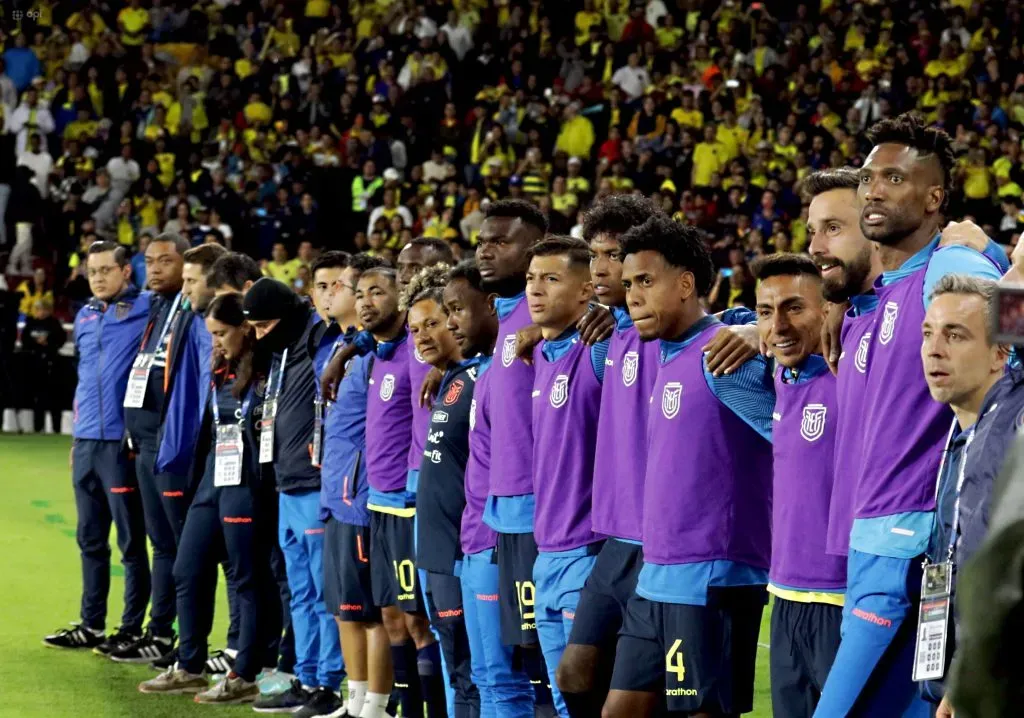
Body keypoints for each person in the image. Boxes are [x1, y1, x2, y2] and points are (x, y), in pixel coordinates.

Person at [815, 114, 1005, 718]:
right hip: (883, 541)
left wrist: (991, 254)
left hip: (910, 543)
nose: (874, 190)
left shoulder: (947, 269)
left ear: (933, 198)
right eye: (868, 178)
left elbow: (1014, 333)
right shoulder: (887, 292)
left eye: (894, 178)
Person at [555, 196, 758, 718]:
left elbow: (790, 430)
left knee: (695, 706)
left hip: (700, 560)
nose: (607, 272)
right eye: (600, 259)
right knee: (591, 685)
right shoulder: (617, 338)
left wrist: (758, 330)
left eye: (635, 273)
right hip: (638, 551)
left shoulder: (717, 349)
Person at [605, 215, 774, 718]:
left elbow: (792, 443)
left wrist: (760, 333)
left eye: (645, 281)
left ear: (684, 285)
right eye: (629, 284)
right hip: (657, 571)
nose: (633, 296)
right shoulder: (668, 353)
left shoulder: (724, 356)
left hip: (710, 574)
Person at [138, 292, 280, 704]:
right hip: (213, 477)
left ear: (245, 329)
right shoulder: (220, 367)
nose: (214, 342)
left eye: (220, 333)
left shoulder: (269, 367)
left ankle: (246, 673)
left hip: (247, 484)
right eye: (211, 334)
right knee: (187, 568)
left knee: (248, 577)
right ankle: (189, 666)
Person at [43, 241, 151, 655]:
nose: (99, 278)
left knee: (131, 543)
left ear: (126, 271)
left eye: (106, 270)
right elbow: (85, 380)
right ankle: (91, 624)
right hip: (87, 441)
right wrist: (77, 439)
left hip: (121, 445)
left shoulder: (148, 309)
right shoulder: (85, 315)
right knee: (89, 538)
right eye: (92, 272)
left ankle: (131, 628)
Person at [243, 278, 345, 714]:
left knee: (322, 593)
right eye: (254, 328)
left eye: (264, 326)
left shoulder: (318, 338)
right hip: (286, 485)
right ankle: (305, 677)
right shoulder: (283, 349)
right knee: (300, 593)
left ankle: (329, 682)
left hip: (314, 484)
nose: (259, 335)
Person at [920, 276, 1020, 717]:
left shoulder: (1013, 418)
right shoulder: (962, 433)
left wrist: (974, 674)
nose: (934, 349)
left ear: (1001, 352)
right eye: (928, 333)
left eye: (955, 335)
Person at [752, 254, 845, 717]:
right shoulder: (779, 377)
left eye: (794, 307)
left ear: (828, 310)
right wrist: (747, 330)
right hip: (785, 594)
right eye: (765, 312)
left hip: (844, 596)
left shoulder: (850, 375)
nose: (779, 325)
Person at [443, 259, 536, 718]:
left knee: (510, 680)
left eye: (458, 309)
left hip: (502, 538)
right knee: (487, 678)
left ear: (492, 305)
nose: (450, 323)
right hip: (475, 539)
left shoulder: (525, 347)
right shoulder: (485, 366)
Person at [523, 237, 609, 718]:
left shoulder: (598, 349)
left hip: (589, 552)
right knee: (563, 697)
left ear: (585, 291)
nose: (535, 289)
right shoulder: (542, 353)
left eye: (551, 279)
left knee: (589, 695)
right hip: (546, 552)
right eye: (531, 278)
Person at [357, 265, 444, 718]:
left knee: (417, 621)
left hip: (407, 501)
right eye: (360, 293)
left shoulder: (416, 349)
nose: (365, 301)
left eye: (377, 291)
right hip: (379, 502)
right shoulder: (381, 352)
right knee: (392, 618)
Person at [320, 253, 396, 718]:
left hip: (361, 496)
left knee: (370, 612)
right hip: (337, 494)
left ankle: (377, 705)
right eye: (357, 290)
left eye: (344, 286)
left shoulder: (378, 355)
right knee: (344, 608)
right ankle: (355, 701)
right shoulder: (347, 349)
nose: (350, 296)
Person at [112, 231, 189, 664]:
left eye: (165, 261)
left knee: (180, 546)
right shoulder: (156, 308)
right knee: (160, 542)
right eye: (150, 261)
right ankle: (159, 632)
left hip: (168, 447)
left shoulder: (189, 312)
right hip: (143, 443)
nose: (154, 269)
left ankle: (184, 639)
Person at [408, 264, 481, 718]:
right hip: (435, 552)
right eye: (415, 329)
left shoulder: (477, 380)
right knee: (457, 666)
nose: (423, 336)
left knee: (472, 670)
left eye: (432, 323)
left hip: (460, 550)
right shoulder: (450, 380)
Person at [21, 296, 67, 432]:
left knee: (55, 399)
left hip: (52, 365)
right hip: (35, 365)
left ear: (48, 310)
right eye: (38, 309)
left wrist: (48, 342)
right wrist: (36, 343)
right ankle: (38, 428)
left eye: (43, 309)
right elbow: (24, 341)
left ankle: (56, 428)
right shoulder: (31, 323)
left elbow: (61, 340)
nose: (40, 312)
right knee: (37, 399)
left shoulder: (54, 324)